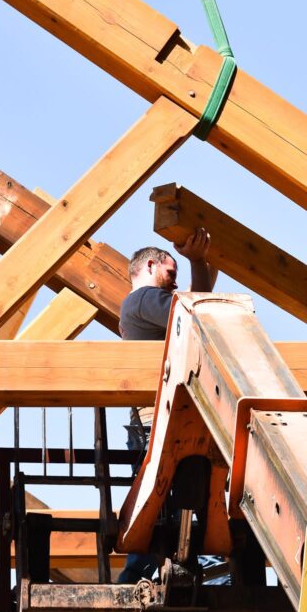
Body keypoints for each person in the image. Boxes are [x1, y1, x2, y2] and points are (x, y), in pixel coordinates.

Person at [117, 228, 220, 585]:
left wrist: (201, 263)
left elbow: (194, 308)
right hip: (155, 422)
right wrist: (197, 261)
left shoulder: (140, 308)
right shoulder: (145, 298)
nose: (174, 285)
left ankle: (141, 574)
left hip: (154, 420)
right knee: (160, 506)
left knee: (158, 506)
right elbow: (196, 314)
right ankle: (141, 577)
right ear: (150, 265)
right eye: (171, 273)